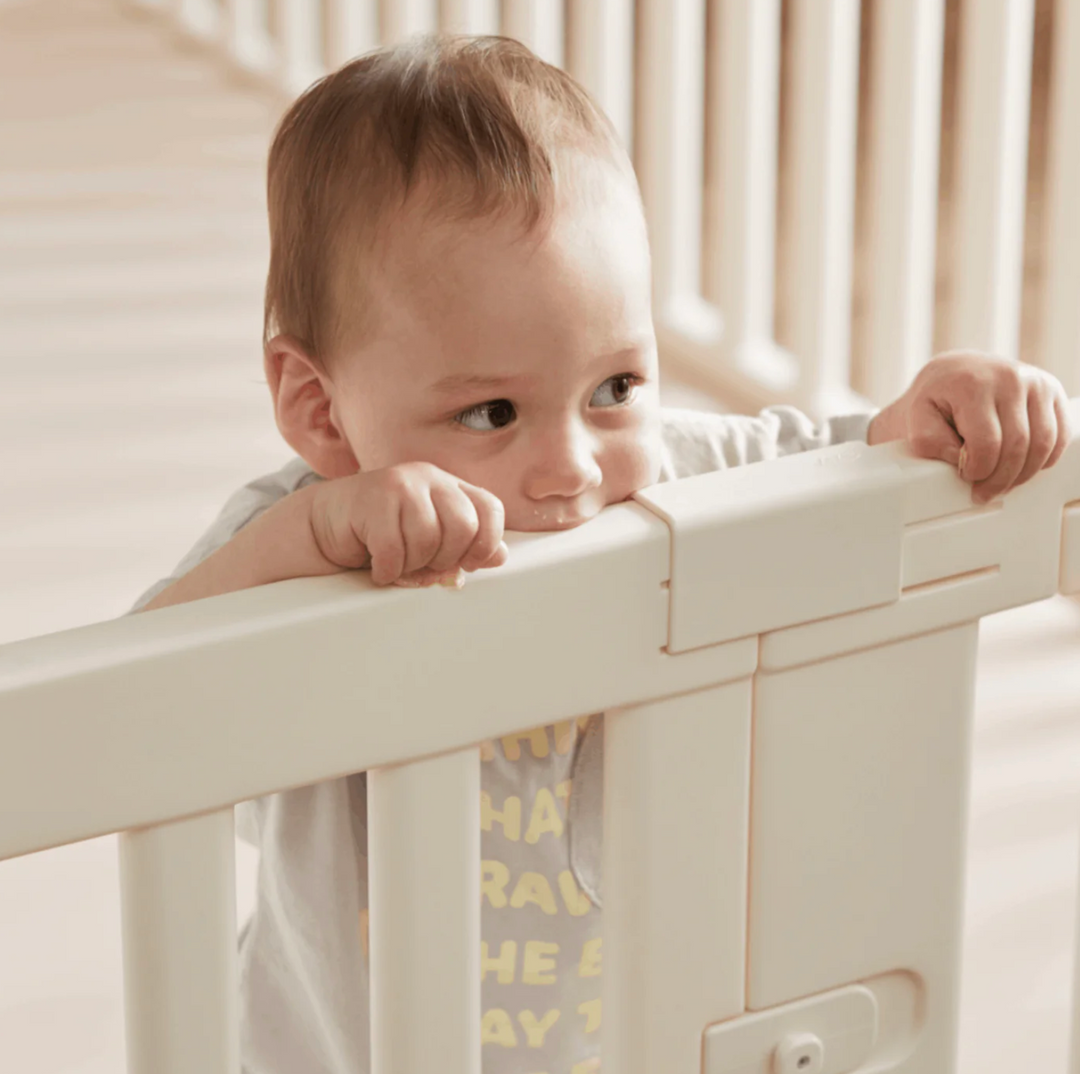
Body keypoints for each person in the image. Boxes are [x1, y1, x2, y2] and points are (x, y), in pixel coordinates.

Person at [130, 33, 1072, 1074]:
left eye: (615, 387)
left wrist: (940, 413)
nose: (572, 467)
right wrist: (311, 540)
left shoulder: (680, 472)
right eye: (491, 411)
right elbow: (123, 704)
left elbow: (852, 472)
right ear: (319, 409)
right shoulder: (300, 537)